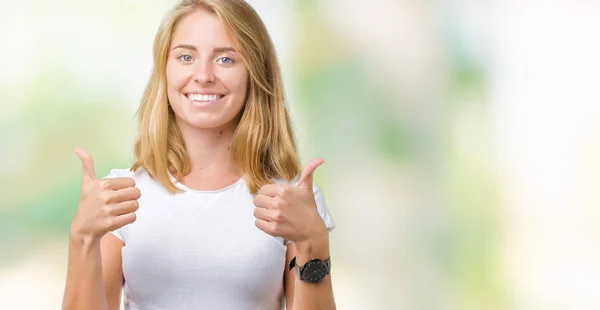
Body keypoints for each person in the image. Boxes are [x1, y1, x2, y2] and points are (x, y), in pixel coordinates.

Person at [61, 0, 336, 309]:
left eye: (226, 59)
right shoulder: (122, 195)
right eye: (186, 56)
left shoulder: (292, 199)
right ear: (164, 70)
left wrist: (313, 243)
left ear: (255, 73)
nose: (203, 75)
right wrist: (82, 237)